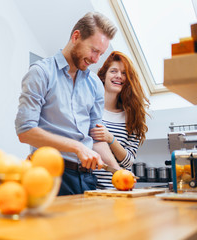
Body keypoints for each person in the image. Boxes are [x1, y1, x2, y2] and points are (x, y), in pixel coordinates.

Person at [15, 12, 119, 195]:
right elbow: (25, 131)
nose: (96, 60)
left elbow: (96, 138)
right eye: (94, 50)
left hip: (87, 178)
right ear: (76, 36)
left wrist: (118, 171)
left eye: (101, 54)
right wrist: (77, 147)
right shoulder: (41, 73)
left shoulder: (95, 84)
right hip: (48, 176)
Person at [89, 51, 150, 189]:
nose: (119, 76)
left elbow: (128, 162)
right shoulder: (89, 109)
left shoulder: (132, 117)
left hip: (121, 187)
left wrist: (110, 139)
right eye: (113, 71)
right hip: (92, 187)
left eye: (123, 73)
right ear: (103, 76)